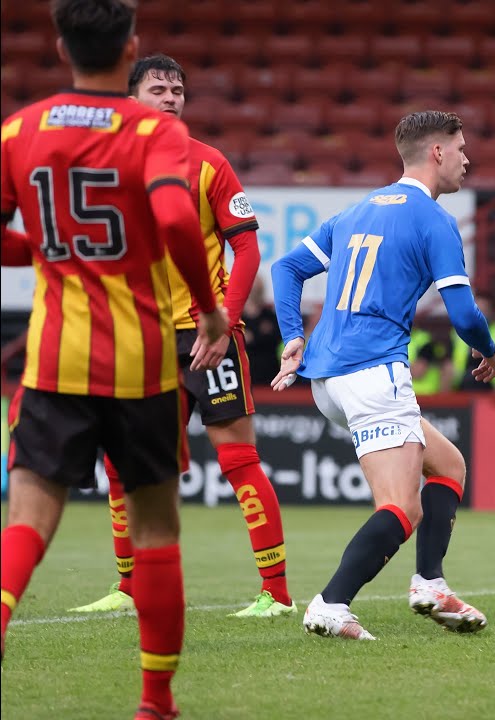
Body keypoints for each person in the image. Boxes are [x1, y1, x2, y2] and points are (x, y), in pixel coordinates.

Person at [0, 2, 228, 718]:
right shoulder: (158, 130)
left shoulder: (18, 130)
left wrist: (41, 246)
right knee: (157, 530)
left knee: (28, 520)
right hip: (141, 364)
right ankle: (156, 705)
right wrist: (210, 305)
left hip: (55, 358)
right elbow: (171, 215)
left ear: (61, 44)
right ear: (130, 48)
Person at [67, 53, 294, 619]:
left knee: (238, 458)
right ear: (130, 98)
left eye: (177, 90)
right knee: (122, 463)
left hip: (206, 337)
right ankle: (130, 585)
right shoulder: (111, 165)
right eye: (158, 88)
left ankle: (277, 594)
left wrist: (227, 321)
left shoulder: (210, 163)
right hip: (139, 336)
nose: (170, 97)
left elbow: (247, 247)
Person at [271, 110, 495, 640]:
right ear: (436, 153)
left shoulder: (358, 210)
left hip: (327, 376)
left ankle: (430, 583)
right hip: (373, 369)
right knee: (401, 505)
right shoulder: (433, 219)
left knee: (449, 465)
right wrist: (487, 350)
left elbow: (286, 268)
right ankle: (330, 603)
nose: (468, 158)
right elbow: (463, 313)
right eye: (461, 148)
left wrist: (292, 336)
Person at [450, 293, 495, 393]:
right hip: (462, 387)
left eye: (484, 310)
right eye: (477, 309)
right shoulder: (457, 332)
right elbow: (447, 366)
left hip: (492, 388)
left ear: (492, 312)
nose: (480, 314)